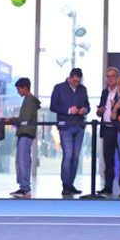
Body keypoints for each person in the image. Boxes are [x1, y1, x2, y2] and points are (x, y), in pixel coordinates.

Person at [49, 68, 90, 196]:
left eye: (78, 81)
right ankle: (65, 185)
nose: (76, 84)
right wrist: (68, 110)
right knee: (68, 156)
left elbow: (88, 105)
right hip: (65, 126)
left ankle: (71, 184)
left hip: (79, 126)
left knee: (76, 157)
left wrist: (84, 110)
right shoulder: (59, 88)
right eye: (74, 81)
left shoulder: (83, 89)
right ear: (70, 77)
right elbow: (53, 106)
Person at [10, 78, 40, 199]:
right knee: (20, 160)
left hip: (26, 133)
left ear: (25, 88)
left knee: (23, 161)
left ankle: (25, 187)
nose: (18, 92)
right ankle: (23, 186)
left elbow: (24, 119)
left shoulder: (30, 101)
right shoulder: (28, 100)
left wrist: (11, 120)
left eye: (18, 89)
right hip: (25, 133)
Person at [95, 67, 120, 195]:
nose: (110, 79)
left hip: (119, 129)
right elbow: (100, 110)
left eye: (112, 76)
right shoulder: (104, 92)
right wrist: (99, 111)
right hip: (107, 129)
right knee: (108, 160)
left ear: (117, 77)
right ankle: (108, 187)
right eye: (108, 76)